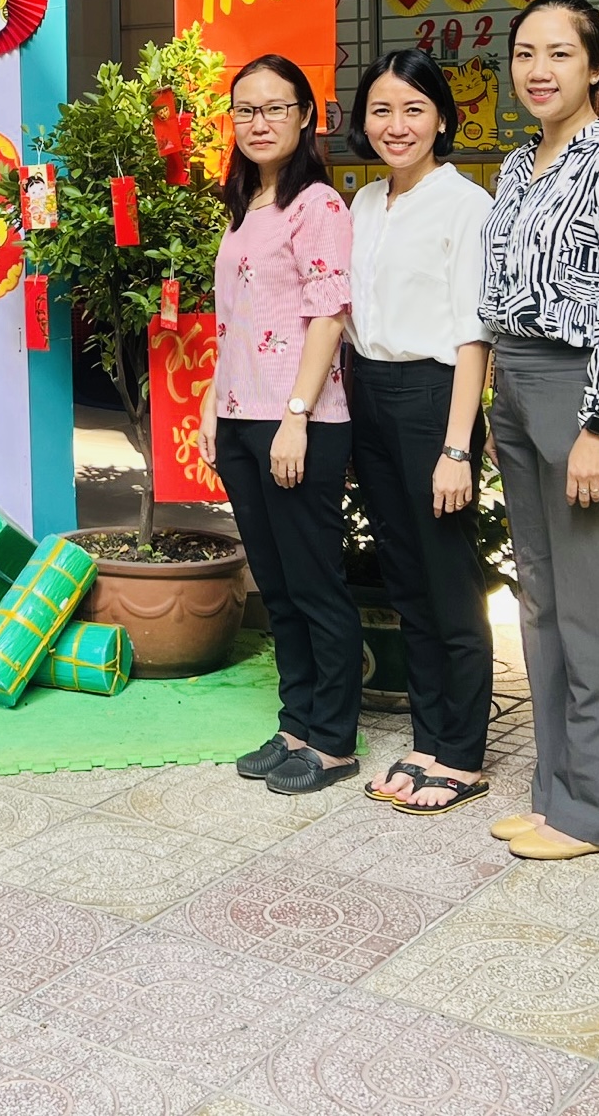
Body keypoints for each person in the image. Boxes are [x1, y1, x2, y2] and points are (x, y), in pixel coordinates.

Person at [480, 0, 599, 861]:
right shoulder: (518, 166)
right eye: (524, 53)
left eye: (558, 53)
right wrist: (496, 402)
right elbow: (498, 294)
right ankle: (555, 794)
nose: (538, 70)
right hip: (517, 385)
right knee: (543, 604)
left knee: (592, 609)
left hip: (585, 390)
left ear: (596, 68)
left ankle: (597, 812)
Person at [199, 54, 361, 796]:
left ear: (305, 117)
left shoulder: (317, 204)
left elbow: (328, 315)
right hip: (242, 416)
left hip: (297, 421)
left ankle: (332, 741)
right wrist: (214, 402)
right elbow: (235, 320)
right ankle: (296, 723)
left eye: (274, 108)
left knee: (315, 582)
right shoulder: (246, 205)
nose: (258, 122)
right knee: (277, 585)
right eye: (244, 110)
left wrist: (296, 416)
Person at [343, 49, 496, 816]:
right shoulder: (365, 203)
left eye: (412, 109)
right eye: (380, 110)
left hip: (433, 399)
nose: (395, 125)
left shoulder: (465, 205)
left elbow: (473, 336)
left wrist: (456, 447)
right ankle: (427, 739)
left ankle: (459, 754)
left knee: (446, 579)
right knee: (404, 579)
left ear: (441, 118)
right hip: (368, 393)